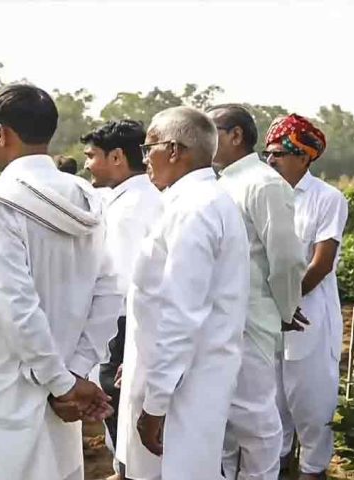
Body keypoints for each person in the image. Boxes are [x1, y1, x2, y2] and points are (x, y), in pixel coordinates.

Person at [0, 84, 121, 480]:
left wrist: (60, 382)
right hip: (65, 375)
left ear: (2, 133)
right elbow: (107, 292)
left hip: (6, 382)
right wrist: (76, 370)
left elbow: (15, 303)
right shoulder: (84, 195)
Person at [116, 106, 250, 480]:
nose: (145, 159)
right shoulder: (196, 201)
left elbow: (181, 313)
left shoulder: (195, 208)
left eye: (149, 148)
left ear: (174, 150)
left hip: (183, 385)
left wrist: (156, 402)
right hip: (182, 374)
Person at [208, 105, 307, 479]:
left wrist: (285, 310)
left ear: (236, 135)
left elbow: (286, 259)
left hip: (252, 317)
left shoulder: (263, 183)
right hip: (224, 318)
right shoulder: (222, 182)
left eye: (212, 129)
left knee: (257, 423)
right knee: (228, 421)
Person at [265, 114, 348, 480]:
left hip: (308, 315)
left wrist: (285, 302)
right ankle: (278, 467)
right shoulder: (266, 196)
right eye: (266, 154)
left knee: (312, 404)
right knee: (273, 402)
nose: (270, 161)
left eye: (278, 154)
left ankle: (313, 471)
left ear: (303, 157)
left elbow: (322, 263)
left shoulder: (327, 199)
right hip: (271, 316)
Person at [80, 119, 163, 480]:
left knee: (121, 394)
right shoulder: (139, 196)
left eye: (91, 156)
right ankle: (125, 466)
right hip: (133, 318)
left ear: (116, 157)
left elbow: (127, 281)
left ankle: (130, 469)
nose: (86, 165)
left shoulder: (131, 208)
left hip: (128, 318)